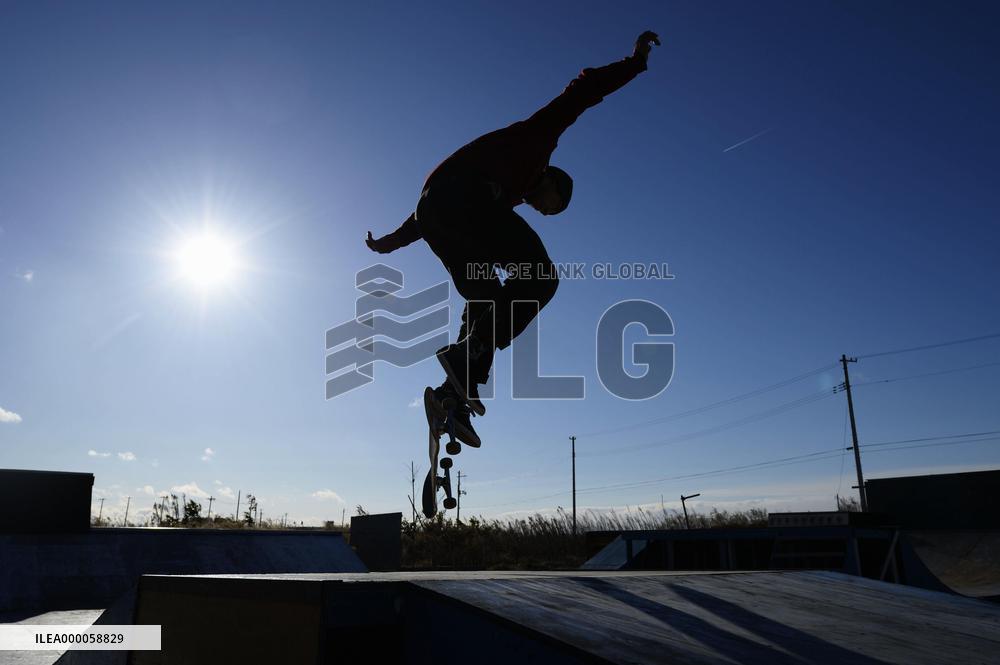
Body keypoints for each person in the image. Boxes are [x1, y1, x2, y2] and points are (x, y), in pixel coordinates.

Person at [366, 31, 660, 447]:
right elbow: (581, 93)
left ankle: (454, 395)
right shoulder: (538, 143)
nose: (542, 211)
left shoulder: (506, 196)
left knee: (485, 297)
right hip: (460, 200)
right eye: (552, 206)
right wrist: (634, 63)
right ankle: (471, 355)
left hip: (440, 217)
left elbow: (426, 214)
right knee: (541, 278)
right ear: (553, 182)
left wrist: (389, 244)